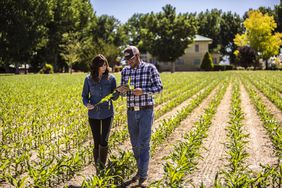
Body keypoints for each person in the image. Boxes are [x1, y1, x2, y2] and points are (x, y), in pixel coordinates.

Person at [117, 46, 163, 186]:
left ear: (137, 55)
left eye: (130, 59)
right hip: (131, 111)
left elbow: (159, 87)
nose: (128, 62)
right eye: (126, 60)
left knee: (144, 144)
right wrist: (121, 90)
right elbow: (123, 90)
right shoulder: (125, 71)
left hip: (146, 111)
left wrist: (143, 91)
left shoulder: (150, 68)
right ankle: (140, 170)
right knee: (135, 145)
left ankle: (143, 176)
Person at [82, 54, 118, 171]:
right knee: (96, 140)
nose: (104, 67)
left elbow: (114, 97)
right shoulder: (88, 79)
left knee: (104, 140)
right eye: (101, 65)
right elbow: (84, 96)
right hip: (93, 114)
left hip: (107, 113)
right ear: (96, 66)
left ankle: (102, 166)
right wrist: (87, 104)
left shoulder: (111, 78)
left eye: (105, 64)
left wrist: (118, 92)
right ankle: (98, 167)